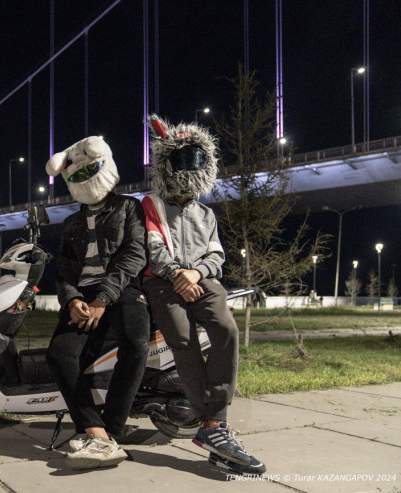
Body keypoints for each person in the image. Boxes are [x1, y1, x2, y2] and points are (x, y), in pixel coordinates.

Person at [141, 115, 266, 476]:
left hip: (202, 280)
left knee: (226, 330)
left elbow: (216, 256)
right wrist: (177, 275)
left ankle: (214, 421)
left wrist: (194, 273)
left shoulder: (207, 213)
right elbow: (153, 249)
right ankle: (212, 424)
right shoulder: (151, 204)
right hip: (162, 282)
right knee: (182, 339)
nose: (187, 171)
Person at [44, 136, 150, 470]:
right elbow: (63, 271)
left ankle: (112, 431)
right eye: (77, 175)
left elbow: (134, 255)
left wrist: (103, 297)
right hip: (83, 297)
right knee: (59, 354)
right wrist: (72, 299)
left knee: (136, 344)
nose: (84, 179)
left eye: (89, 171)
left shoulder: (128, 207)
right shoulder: (70, 223)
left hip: (123, 290)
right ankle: (95, 431)